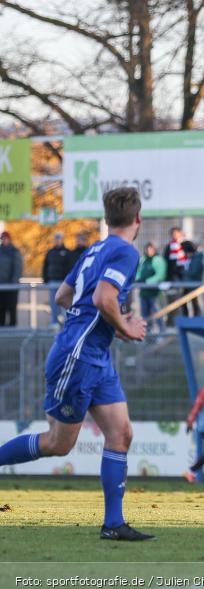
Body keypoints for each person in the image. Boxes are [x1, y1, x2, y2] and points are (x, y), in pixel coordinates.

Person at [0, 187, 153, 541]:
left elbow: (62, 296)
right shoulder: (126, 252)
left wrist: (96, 324)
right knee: (58, 443)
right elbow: (103, 297)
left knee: (121, 433)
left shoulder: (94, 250)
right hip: (78, 357)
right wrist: (123, 324)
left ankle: (113, 524)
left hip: (95, 356)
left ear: (106, 218)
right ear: (138, 219)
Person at [135, 242, 166, 333]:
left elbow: (160, 275)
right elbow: (139, 272)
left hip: (155, 292)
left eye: (151, 249)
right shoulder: (143, 259)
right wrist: (138, 279)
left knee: (157, 313)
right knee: (145, 315)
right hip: (144, 292)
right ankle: (148, 334)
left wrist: (147, 281)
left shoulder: (158, 260)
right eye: (147, 249)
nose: (149, 251)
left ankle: (162, 333)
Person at [42, 233, 71, 327]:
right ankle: (54, 322)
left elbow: (69, 268)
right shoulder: (50, 252)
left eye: (59, 238)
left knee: (64, 303)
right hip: (52, 281)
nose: (57, 240)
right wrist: (45, 278)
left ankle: (66, 322)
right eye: (56, 238)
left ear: (62, 239)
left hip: (63, 282)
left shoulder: (67, 252)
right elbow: (45, 266)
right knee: (53, 303)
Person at [0, 231, 23, 327]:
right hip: (1, 286)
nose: (4, 240)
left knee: (11, 308)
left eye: (6, 238)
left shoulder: (14, 252)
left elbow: (18, 268)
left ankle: (12, 329)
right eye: (2, 239)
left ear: (9, 239)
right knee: (1, 309)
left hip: (11, 287)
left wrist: (12, 284)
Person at [180, 241, 204, 317]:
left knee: (195, 303)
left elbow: (193, 272)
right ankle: (186, 317)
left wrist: (182, 271)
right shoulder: (190, 259)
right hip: (188, 284)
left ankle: (196, 319)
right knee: (184, 302)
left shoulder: (197, 259)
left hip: (194, 284)